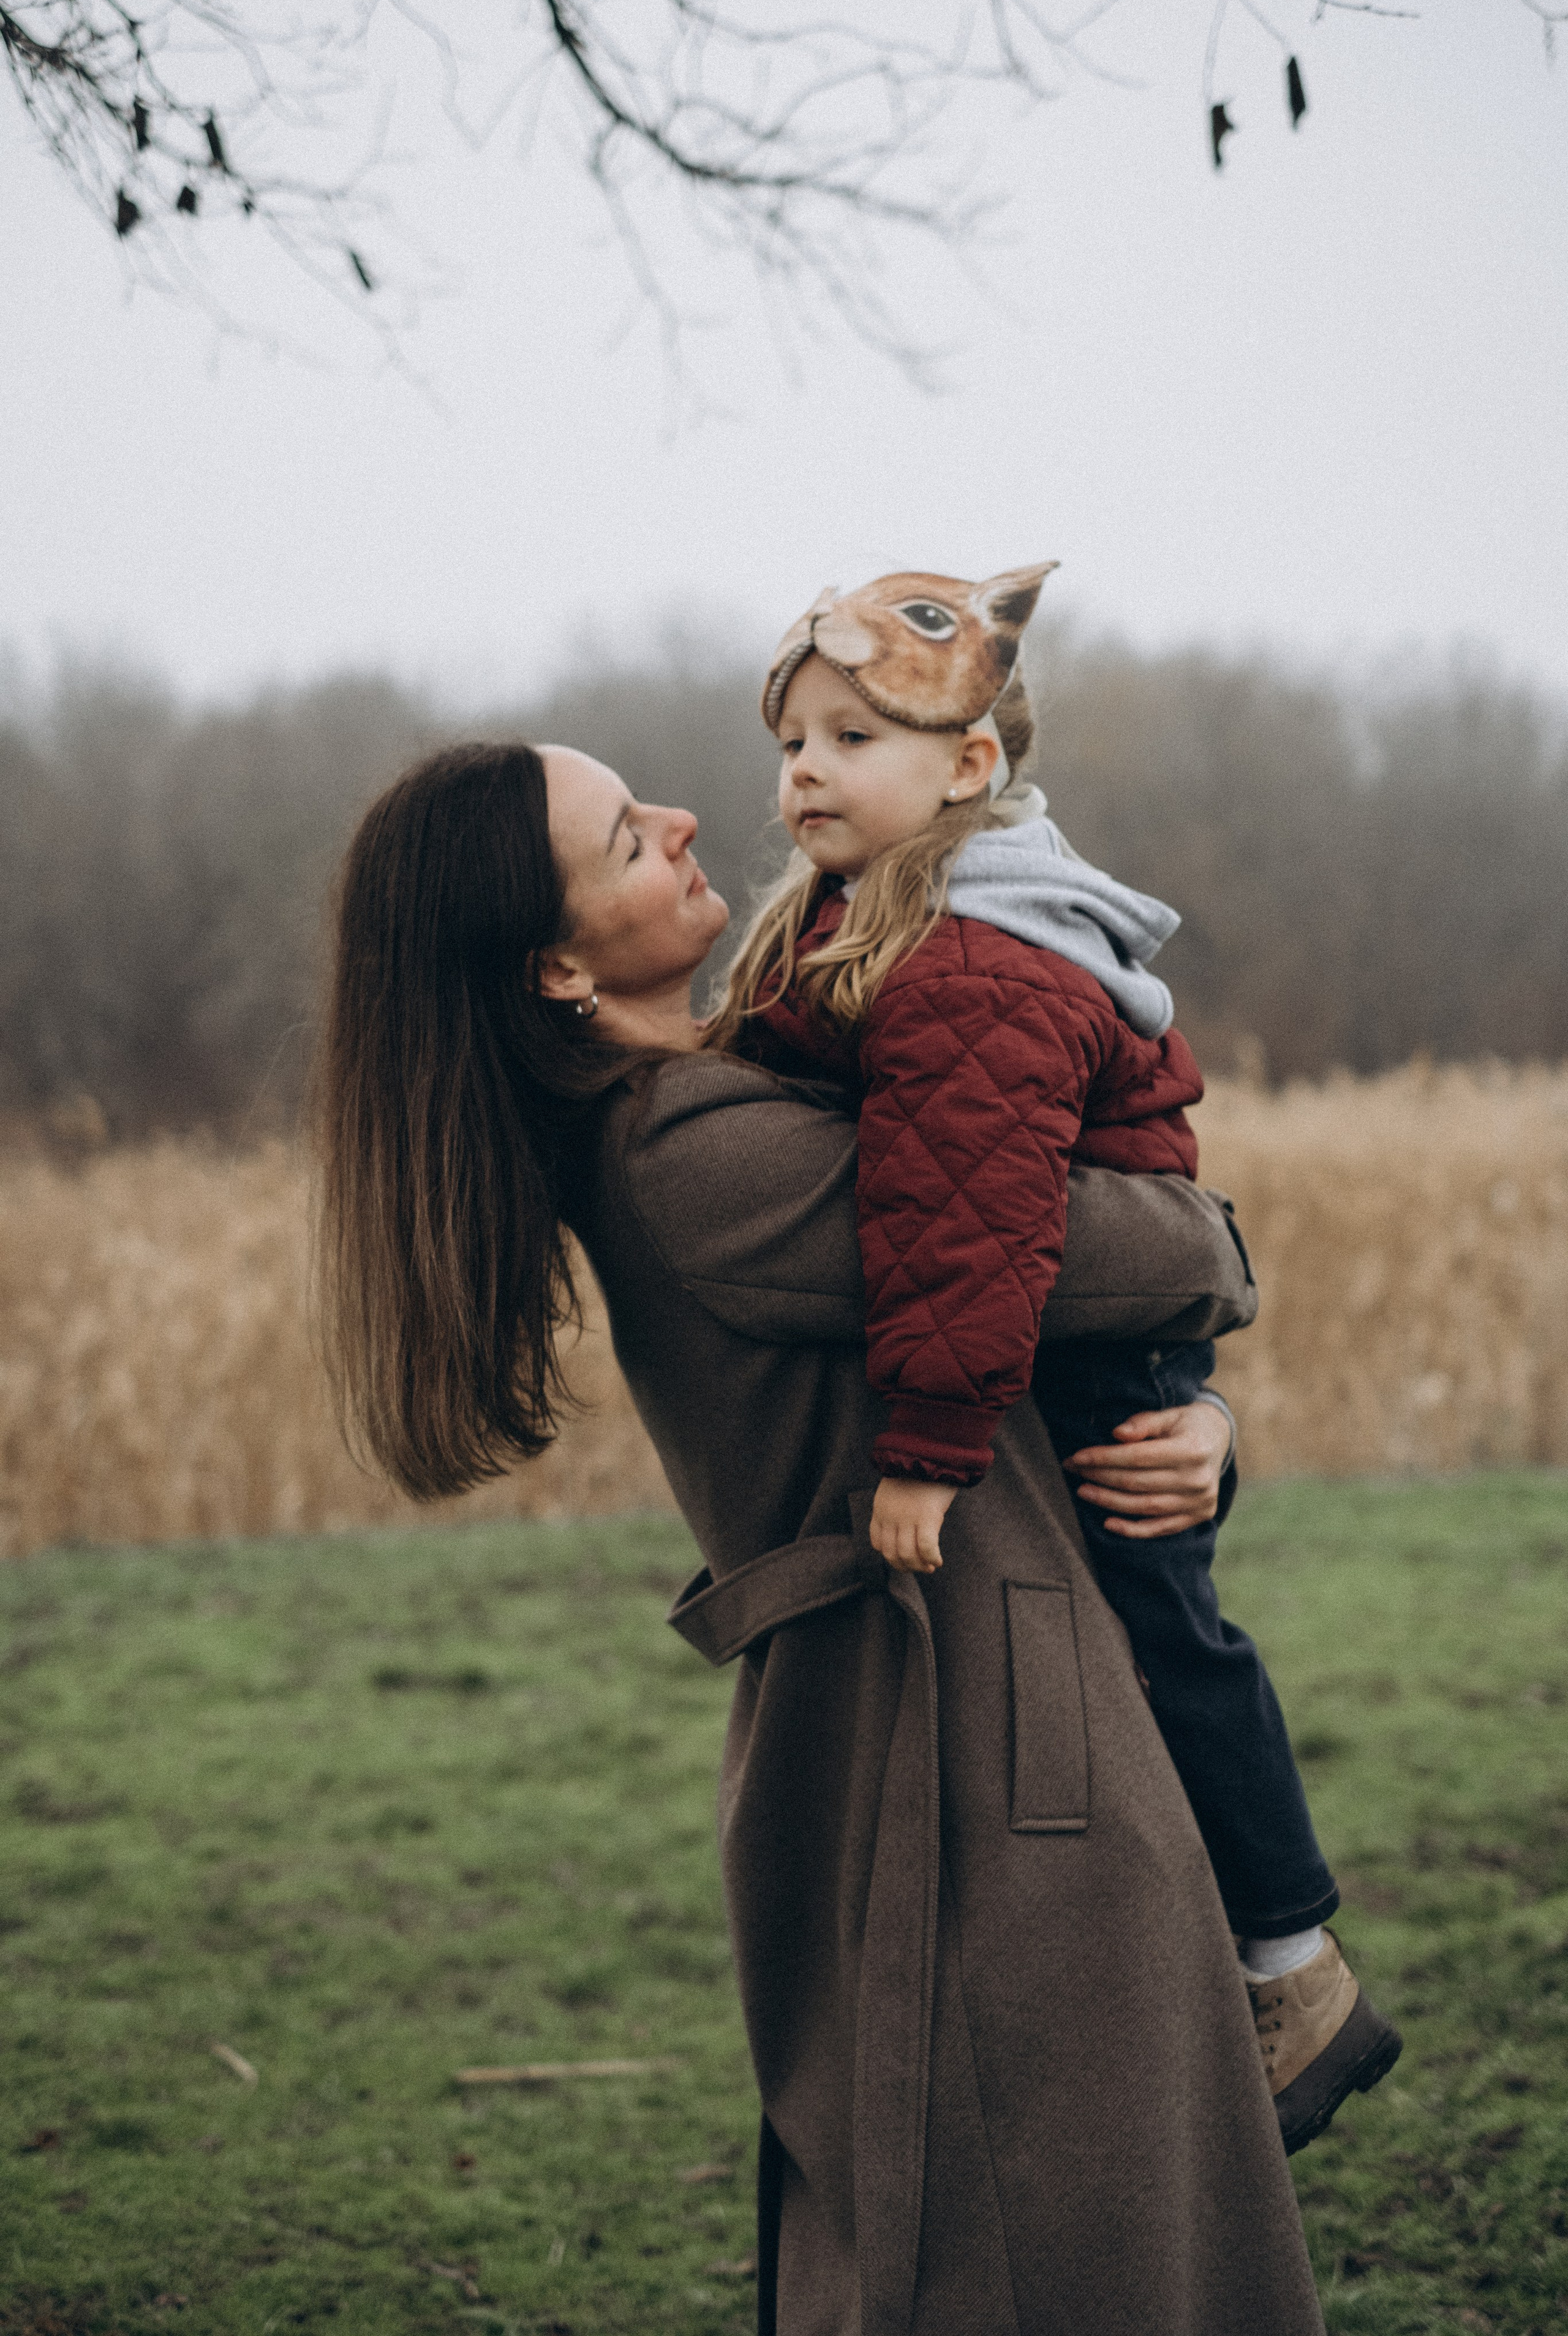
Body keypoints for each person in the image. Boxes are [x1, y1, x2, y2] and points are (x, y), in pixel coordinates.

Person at [313, 738, 1328, 2335]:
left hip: (983, 1701)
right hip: (959, 1748)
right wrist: (1211, 1247)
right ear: (558, 967)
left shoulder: (745, 1092)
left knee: (1058, 2223)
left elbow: (1007, 1344)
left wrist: (1194, 1431)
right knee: (1042, 2241)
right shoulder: (697, 1157)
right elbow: (1124, 1250)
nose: (686, 818)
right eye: (627, 836)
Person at [708, 562, 1400, 2153]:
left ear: (965, 770)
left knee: (1164, 1643)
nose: (803, 770)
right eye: (793, 739)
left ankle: (1296, 1971)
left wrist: (931, 1447)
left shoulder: (975, 962)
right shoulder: (868, 915)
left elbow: (974, 1216)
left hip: (1086, 1369)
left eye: (851, 737)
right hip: (1072, 1336)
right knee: (1142, 1655)